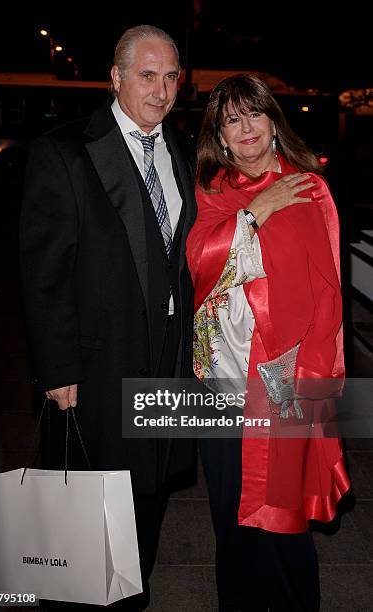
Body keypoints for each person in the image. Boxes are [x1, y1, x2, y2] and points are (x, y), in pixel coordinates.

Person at [19, 25, 196, 611]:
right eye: (147, 75)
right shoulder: (66, 151)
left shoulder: (179, 148)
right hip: (98, 364)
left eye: (172, 76)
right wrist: (57, 368)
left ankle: (132, 596)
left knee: (147, 499)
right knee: (91, 511)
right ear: (115, 78)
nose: (162, 90)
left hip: (166, 362)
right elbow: (44, 273)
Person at [186, 75, 351, 612]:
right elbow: (199, 264)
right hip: (220, 379)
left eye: (254, 114)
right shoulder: (212, 189)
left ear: (273, 121)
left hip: (286, 377)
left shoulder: (309, 187)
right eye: (232, 120)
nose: (246, 128)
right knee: (230, 512)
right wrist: (257, 210)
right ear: (222, 138)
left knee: (282, 515)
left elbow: (329, 295)